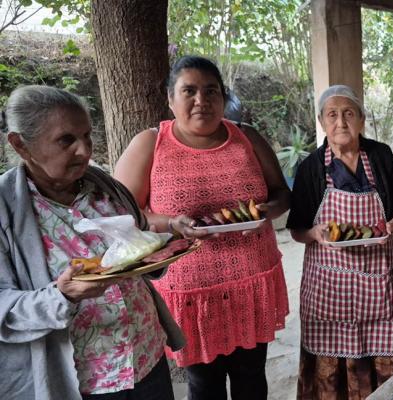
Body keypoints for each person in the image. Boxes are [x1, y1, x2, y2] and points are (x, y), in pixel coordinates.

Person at [113, 56, 290, 400]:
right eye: (189, 91)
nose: (201, 100)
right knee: (203, 384)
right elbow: (123, 214)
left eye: (211, 91)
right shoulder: (151, 143)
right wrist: (169, 222)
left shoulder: (247, 138)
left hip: (251, 283)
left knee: (252, 377)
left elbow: (283, 193)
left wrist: (266, 212)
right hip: (192, 293)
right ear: (170, 98)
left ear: (223, 97)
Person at [0, 85, 185, 400]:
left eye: (87, 136)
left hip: (146, 357)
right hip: (85, 382)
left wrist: (164, 245)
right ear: (21, 145)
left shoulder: (105, 187)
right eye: (66, 140)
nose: (85, 151)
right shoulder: (6, 208)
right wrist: (61, 296)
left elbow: (139, 242)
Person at [287, 84, 393, 399]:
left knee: (383, 348)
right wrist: (315, 234)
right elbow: (297, 229)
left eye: (349, 113)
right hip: (329, 286)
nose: (341, 122)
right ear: (322, 122)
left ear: (362, 119)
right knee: (330, 365)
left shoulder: (380, 157)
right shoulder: (311, 167)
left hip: (378, 280)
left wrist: (391, 225)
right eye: (332, 115)